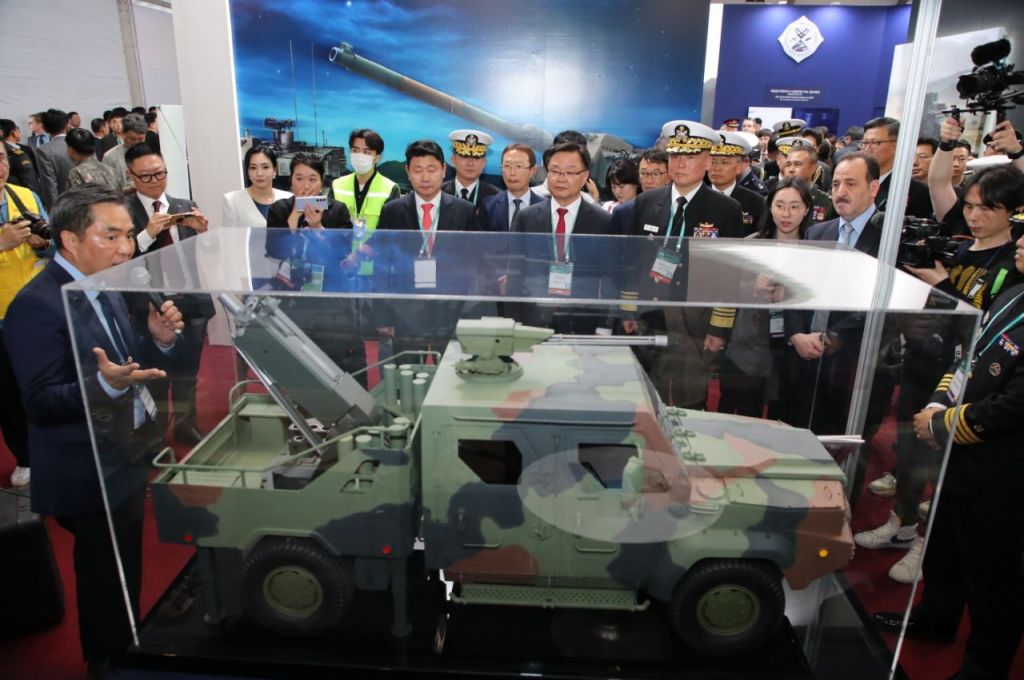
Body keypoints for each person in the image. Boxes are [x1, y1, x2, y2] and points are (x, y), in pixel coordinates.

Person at [3, 183, 183, 676]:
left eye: (127, 235)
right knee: (105, 570)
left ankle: (126, 639)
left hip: (123, 450)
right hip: (85, 466)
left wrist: (158, 340)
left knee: (124, 560)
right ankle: (107, 659)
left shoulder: (103, 283)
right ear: (69, 239)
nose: (125, 248)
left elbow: (125, 360)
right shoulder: (37, 305)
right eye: (111, 236)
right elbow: (40, 402)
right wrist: (103, 386)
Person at [859, 164, 1024, 584]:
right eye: (969, 206)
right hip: (922, 363)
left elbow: (986, 329)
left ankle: (925, 544)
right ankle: (902, 522)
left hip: (967, 380)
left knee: (944, 469)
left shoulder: (1011, 265)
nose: (974, 216)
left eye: (987, 208)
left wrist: (945, 285)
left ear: (1011, 212)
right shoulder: (958, 248)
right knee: (911, 453)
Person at [873, 229, 1024, 680]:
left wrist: (942, 425)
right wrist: (939, 404)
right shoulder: (1012, 294)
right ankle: (935, 619)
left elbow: (1015, 406)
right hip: (962, 456)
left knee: (992, 575)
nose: (1020, 242)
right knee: (944, 547)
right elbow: (968, 359)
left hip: (1003, 470)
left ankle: (986, 665)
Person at [615, 119, 744, 409]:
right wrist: (628, 309)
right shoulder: (647, 202)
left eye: (690, 156)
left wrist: (719, 328)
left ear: (708, 162)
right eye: (675, 155)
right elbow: (632, 262)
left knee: (690, 399)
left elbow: (729, 276)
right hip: (650, 315)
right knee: (645, 395)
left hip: (695, 323)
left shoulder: (725, 209)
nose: (680, 163)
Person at [785, 152, 888, 434]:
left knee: (840, 440)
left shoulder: (890, 238)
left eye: (851, 184)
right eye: (835, 184)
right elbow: (795, 289)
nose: (840, 192)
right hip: (806, 357)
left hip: (855, 364)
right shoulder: (817, 233)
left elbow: (881, 305)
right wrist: (796, 334)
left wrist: (828, 338)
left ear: (873, 188)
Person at [124, 144, 212, 444]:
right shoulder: (124, 213)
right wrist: (146, 235)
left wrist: (202, 232)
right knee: (155, 374)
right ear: (131, 175)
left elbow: (207, 254)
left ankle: (187, 425)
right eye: (146, 176)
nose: (155, 181)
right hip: (150, 307)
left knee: (188, 372)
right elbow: (120, 259)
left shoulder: (183, 204)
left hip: (191, 300)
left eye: (160, 173)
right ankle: (156, 434)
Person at [719, 177, 814, 419]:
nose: (786, 214)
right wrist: (754, 287)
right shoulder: (752, 245)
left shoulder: (815, 250)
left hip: (790, 353)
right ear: (770, 207)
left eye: (794, 206)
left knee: (782, 417)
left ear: (806, 210)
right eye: (779, 205)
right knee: (739, 416)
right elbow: (728, 291)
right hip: (748, 349)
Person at [0, 143, 50, 487]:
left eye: (2, 159)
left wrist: (41, 242)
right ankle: (25, 456)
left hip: (34, 308)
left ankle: (51, 447)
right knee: (8, 393)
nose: (0, 167)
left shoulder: (25, 196)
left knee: (43, 384)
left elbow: (51, 241)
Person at [327, 129, 400, 274]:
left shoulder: (390, 188)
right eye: (355, 150)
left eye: (366, 152)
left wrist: (359, 255)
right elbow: (330, 226)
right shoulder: (337, 185)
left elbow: (388, 234)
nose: (360, 156)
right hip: (340, 265)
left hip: (374, 269)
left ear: (377, 157)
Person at [861, 117, 933, 219]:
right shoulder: (855, 181)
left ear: (896, 146)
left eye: (875, 142)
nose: (867, 149)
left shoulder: (913, 190)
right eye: (864, 143)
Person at [221, 145, 292, 227]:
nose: (259, 173)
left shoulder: (289, 199)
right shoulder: (232, 200)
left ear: (275, 170)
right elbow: (230, 234)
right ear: (247, 171)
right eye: (253, 168)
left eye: (265, 167)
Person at [708, 131, 765, 234]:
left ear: (740, 166)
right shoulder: (695, 198)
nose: (716, 168)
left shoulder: (756, 203)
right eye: (712, 162)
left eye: (724, 162)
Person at [482, 143, 542, 231]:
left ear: (532, 171)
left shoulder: (546, 208)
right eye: (507, 166)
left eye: (519, 166)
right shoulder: (488, 205)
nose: (512, 172)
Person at [442, 128, 500, 218]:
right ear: (453, 160)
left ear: (484, 163)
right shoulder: (439, 193)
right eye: (464, 156)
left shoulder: (496, 198)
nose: (470, 163)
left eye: (476, 157)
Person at [781, 140, 835, 222]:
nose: (791, 170)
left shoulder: (827, 203)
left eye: (797, 164)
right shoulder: (773, 199)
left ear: (813, 168)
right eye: (788, 165)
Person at [34, 109, 74, 209]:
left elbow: (49, 184)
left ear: (45, 128)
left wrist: (54, 210)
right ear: (67, 125)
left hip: (64, 205)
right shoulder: (80, 143)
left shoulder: (44, 150)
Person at [102, 112, 149, 189]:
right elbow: (108, 188)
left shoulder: (153, 154)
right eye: (132, 139)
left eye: (141, 139)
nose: (137, 142)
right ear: (123, 133)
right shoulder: (110, 157)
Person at [0, 118, 40, 195]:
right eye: (17, 130)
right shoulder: (18, 153)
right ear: (13, 132)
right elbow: (31, 179)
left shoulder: (24, 149)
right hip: (21, 194)